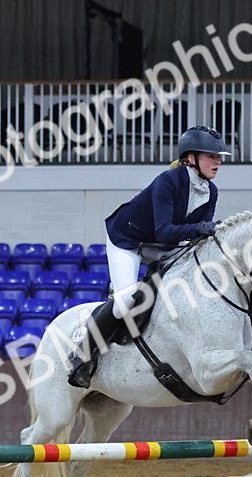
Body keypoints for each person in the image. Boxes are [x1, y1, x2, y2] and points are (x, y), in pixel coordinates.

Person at [67, 125, 232, 389]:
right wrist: (201, 228)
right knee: (124, 302)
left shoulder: (210, 191)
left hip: (162, 245)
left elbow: (194, 238)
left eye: (219, 157)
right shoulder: (167, 182)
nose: (219, 161)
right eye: (212, 156)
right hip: (128, 240)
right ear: (190, 158)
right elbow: (164, 230)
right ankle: (83, 356)